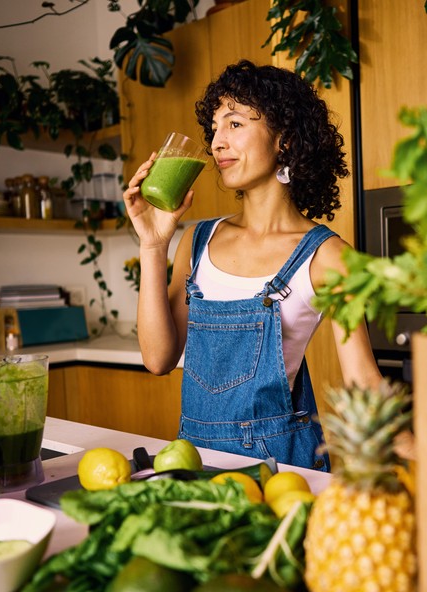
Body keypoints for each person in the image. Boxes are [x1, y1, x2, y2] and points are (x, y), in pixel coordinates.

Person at [122, 59, 382, 471]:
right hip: (194, 463)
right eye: (214, 129)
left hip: (283, 470)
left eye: (235, 124)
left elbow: (363, 383)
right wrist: (153, 246)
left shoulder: (328, 257)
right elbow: (158, 360)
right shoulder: (197, 241)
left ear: (286, 140)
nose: (216, 143)